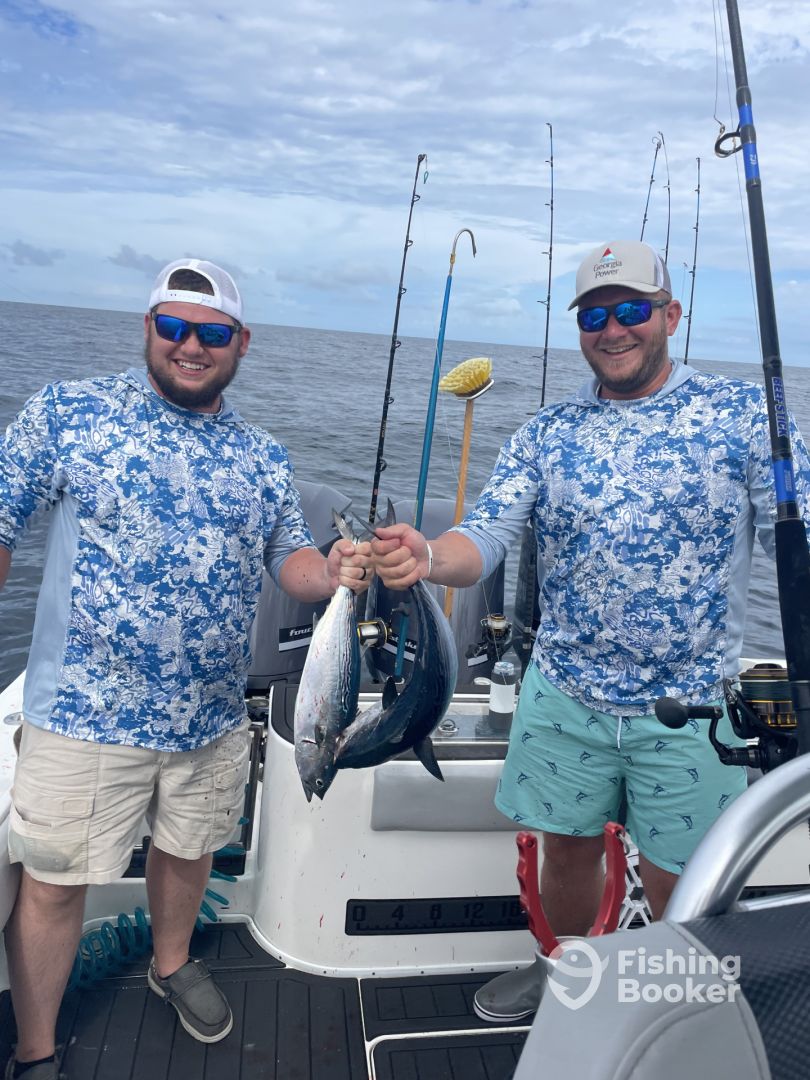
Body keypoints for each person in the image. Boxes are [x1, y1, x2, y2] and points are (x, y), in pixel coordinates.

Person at [371, 239, 810, 1022]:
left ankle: (678, 1010)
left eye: (632, 310)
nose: (613, 330)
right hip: (565, 696)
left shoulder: (745, 417)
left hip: (691, 709)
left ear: (671, 315)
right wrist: (428, 556)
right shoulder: (547, 432)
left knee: (683, 877)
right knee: (564, 850)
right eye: (595, 316)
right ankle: (563, 974)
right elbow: (485, 537)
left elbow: (797, 529)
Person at [0, 258, 372, 1080]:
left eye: (210, 333)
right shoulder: (68, 412)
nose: (190, 346)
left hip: (210, 717)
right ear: (148, 329)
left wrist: (334, 571)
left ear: (241, 342)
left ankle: (171, 965)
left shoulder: (261, 455)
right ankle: (34, 1051)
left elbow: (291, 563)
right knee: (54, 883)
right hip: (83, 715)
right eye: (173, 327)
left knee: (190, 848)